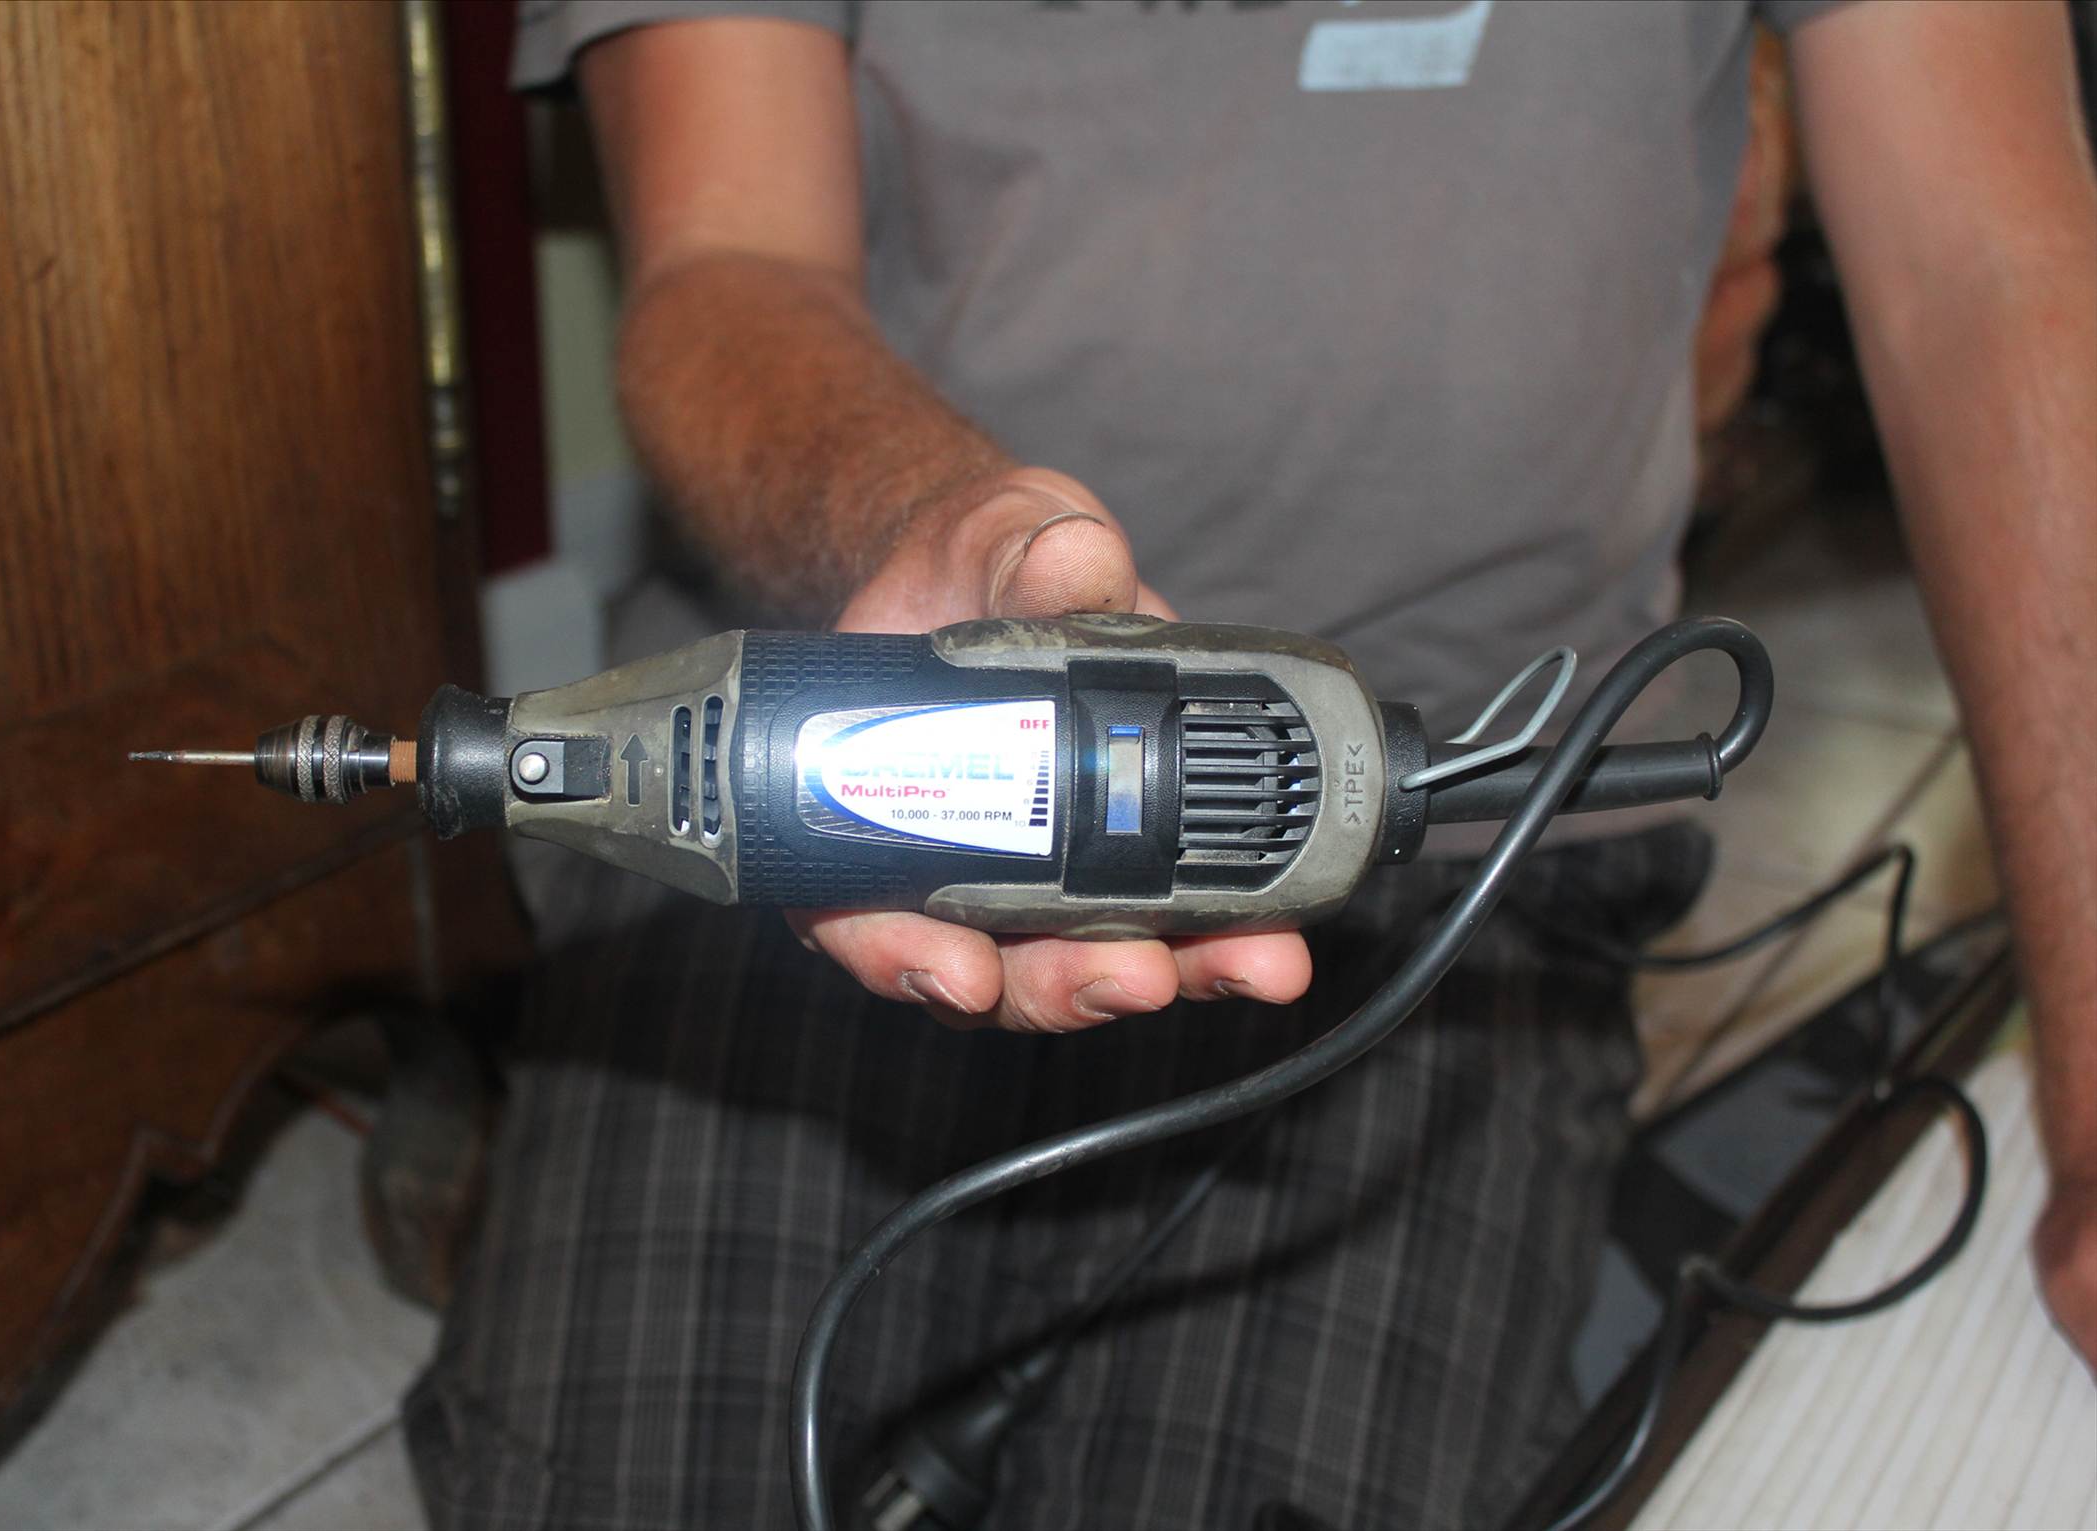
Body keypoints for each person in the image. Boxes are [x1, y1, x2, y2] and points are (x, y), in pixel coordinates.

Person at [404, 3, 2097, 1526]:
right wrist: (923, 522)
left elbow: (1992, 269)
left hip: (1467, 851)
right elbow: (725, 265)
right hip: (843, 732)